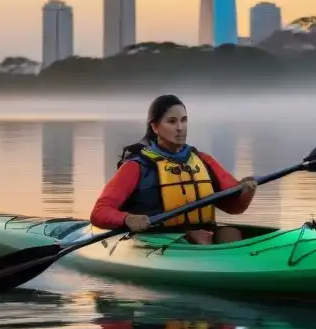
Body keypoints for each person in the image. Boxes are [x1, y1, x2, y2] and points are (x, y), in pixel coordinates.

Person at [90, 94, 257, 244]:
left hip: (205, 234)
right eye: (172, 121)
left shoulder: (203, 160)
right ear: (155, 127)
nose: (180, 127)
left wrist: (246, 192)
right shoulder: (136, 166)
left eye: (184, 120)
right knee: (199, 237)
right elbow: (99, 212)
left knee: (230, 233)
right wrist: (127, 219)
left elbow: (234, 207)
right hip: (162, 237)